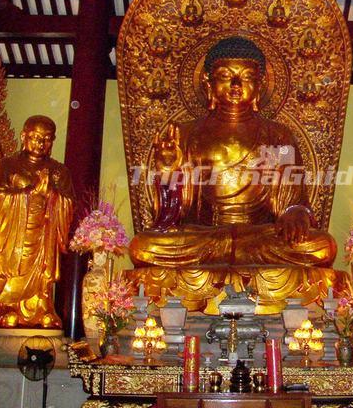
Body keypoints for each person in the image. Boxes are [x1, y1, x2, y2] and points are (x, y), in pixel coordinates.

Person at [129, 37, 338, 314]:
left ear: (260, 85)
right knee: (142, 246)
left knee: (323, 247)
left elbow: (293, 198)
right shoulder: (186, 133)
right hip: (205, 235)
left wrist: (295, 213)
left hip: (260, 236)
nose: (236, 86)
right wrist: (168, 170)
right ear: (208, 84)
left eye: (247, 77)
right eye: (226, 76)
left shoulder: (278, 135)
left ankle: (224, 275)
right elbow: (172, 215)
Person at [0, 115, 74, 328]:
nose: (40, 143)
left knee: (43, 275)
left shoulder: (59, 171)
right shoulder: (9, 165)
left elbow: (69, 204)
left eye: (47, 138)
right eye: (35, 137)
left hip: (43, 234)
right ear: (24, 136)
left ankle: (42, 308)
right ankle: (5, 308)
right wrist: (29, 193)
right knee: (11, 270)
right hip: (15, 235)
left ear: (53, 141)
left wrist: (51, 194)